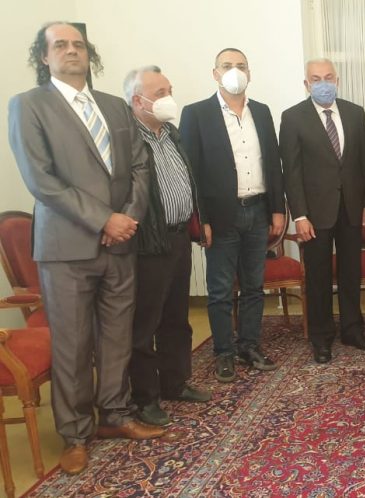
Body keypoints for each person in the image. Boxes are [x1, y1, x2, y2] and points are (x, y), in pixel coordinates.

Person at [8, 22, 165, 475]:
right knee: (73, 345)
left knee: (117, 338)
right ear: (44, 57)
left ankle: (114, 415)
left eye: (78, 44)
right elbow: (41, 180)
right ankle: (75, 434)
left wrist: (127, 218)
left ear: (89, 53)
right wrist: (103, 220)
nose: (71, 50)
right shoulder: (28, 105)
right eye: (60, 45)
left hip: (120, 244)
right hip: (67, 249)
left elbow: (140, 167)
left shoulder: (114, 106)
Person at [179, 48, 285, 382]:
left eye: (241, 66)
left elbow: (273, 163)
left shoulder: (262, 112)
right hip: (220, 216)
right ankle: (223, 352)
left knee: (254, 286)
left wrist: (278, 208)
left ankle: (249, 345)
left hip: (257, 211)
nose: (234, 71)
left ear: (249, 73)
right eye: (227, 66)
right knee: (221, 289)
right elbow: (190, 171)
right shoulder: (196, 114)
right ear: (215, 73)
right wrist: (202, 219)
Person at [124, 66, 212, 426]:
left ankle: (175, 382)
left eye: (169, 90)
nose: (168, 98)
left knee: (177, 316)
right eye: (160, 93)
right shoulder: (128, 139)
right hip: (149, 242)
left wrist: (199, 219)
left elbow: (189, 180)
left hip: (178, 237)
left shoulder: (172, 134)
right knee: (145, 323)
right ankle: (145, 397)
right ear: (138, 100)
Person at [280, 59, 365, 364]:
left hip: (351, 208)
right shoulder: (292, 117)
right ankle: (321, 337)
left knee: (351, 273)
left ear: (337, 80)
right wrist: (300, 215)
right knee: (318, 277)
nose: (323, 83)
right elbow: (291, 172)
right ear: (306, 84)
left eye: (328, 77)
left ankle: (352, 330)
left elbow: (364, 163)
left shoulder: (355, 113)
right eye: (316, 78)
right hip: (314, 214)